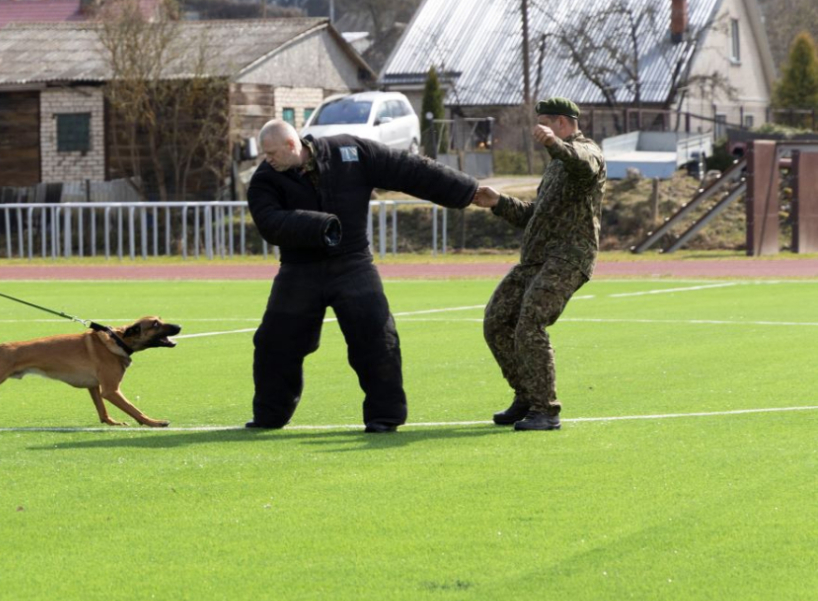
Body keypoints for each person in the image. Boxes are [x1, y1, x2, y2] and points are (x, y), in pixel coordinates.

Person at [246, 117, 487, 433]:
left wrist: (467, 191)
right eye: (265, 155)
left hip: (353, 263)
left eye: (272, 153)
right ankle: (270, 415)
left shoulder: (350, 152)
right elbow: (269, 222)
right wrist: (321, 226)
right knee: (274, 343)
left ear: (293, 145)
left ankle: (384, 416)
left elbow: (410, 169)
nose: (268, 160)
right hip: (299, 269)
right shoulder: (265, 179)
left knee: (377, 337)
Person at [471, 97, 605, 432]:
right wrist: (498, 202)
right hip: (536, 258)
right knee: (496, 320)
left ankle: (546, 410)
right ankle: (527, 396)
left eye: (543, 123)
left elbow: (583, 164)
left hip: (569, 256)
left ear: (562, 123)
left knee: (530, 320)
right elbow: (534, 216)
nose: (537, 130)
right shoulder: (555, 164)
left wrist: (556, 145)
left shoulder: (586, 152)